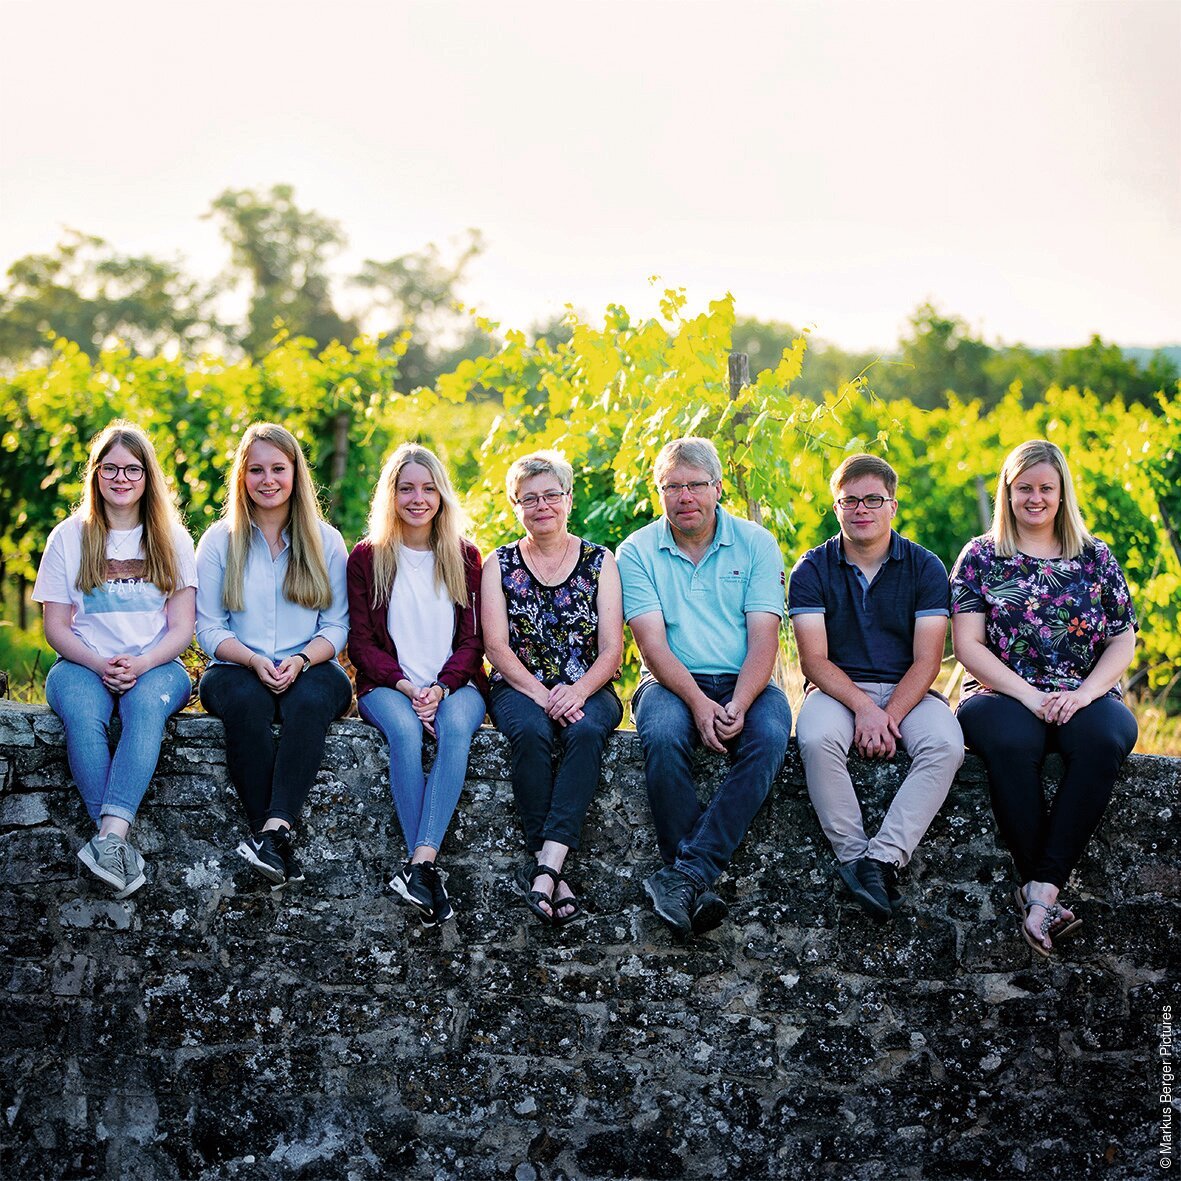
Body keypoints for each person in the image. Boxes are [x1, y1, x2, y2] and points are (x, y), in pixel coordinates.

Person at [950, 439, 1138, 957]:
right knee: (1011, 743)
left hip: (1087, 691)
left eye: (1045, 489)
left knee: (1104, 739)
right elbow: (967, 644)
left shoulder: (1095, 556)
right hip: (1000, 692)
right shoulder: (981, 556)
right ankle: (1046, 894)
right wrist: (1031, 696)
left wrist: (1083, 695)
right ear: (1008, 493)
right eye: (1024, 488)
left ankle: (1039, 891)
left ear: (1062, 493)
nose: (1035, 498)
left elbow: (1123, 637)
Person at [617, 437, 790, 936]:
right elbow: (652, 646)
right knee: (666, 736)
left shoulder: (756, 543)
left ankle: (683, 877)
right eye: (672, 486)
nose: (684, 496)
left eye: (695, 485)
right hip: (671, 681)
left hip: (746, 680)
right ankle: (695, 878)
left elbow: (764, 640)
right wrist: (697, 701)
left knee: (772, 737)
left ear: (718, 489)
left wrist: (737, 702)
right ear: (660, 493)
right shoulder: (637, 551)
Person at [789, 454, 964, 921]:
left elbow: (928, 660)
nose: (861, 508)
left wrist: (887, 715)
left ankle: (881, 859)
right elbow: (814, 661)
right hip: (836, 690)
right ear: (836, 506)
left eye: (873, 499)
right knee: (817, 737)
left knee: (947, 744)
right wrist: (864, 708)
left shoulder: (925, 568)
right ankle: (853, 857)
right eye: (849, 500)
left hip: (910, 690)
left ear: (893, 506)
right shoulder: (811, 570)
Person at [33, 421, 197, 898]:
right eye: (110, 468)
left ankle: (108, 840)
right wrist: (100, 662)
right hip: (82, 663)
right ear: (96, 474)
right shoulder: (68, 537)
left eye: (132, 469)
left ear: (147, 477)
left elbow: (182, 627)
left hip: (158, 665)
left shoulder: (172, 539)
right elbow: (56, 627)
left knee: (144, 709)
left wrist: (142, 664)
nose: (121, 478)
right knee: (84, 716)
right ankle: (113, 842)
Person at [196, 423, 352, 888]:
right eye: (256, 469)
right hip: (235, 665)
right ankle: (273, 837)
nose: (268, 480)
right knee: (247, 704)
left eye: (278, 469)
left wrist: (302, 661)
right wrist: (252, 660)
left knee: (309, 703)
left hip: (311, 664)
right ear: (242, 476)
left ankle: (272, 832)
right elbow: (207, 627)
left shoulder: (325, 541)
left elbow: (336, 625)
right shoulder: (219, 541)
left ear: (295, 474)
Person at [481, 451, 623, 925]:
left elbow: (612, 651)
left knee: (584, 734)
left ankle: (545, 866)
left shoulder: (600, 561)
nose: (541, 505)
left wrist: (577, 692)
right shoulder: (497, 563)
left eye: (551, 495)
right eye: (529, 498)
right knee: (532, 734)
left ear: (568, 500)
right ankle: (554, 874)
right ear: (514, 505)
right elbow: (496, 647)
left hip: (590, 685)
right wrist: (543, 695)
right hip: (518, 687)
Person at [348, 444, 487, 926]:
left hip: (458, 686)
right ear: (392, 495)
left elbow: (474, 641)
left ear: (442, 495)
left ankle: (419, 868)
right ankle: (424, 871)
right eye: (406, 488)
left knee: (456, 731)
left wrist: (442, 688)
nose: (418, 498)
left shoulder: (465, 556)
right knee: (404, 734)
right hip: (388, 687)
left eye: (428, 488)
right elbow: (360, 643)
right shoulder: (367, 558)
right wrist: (409, 688)